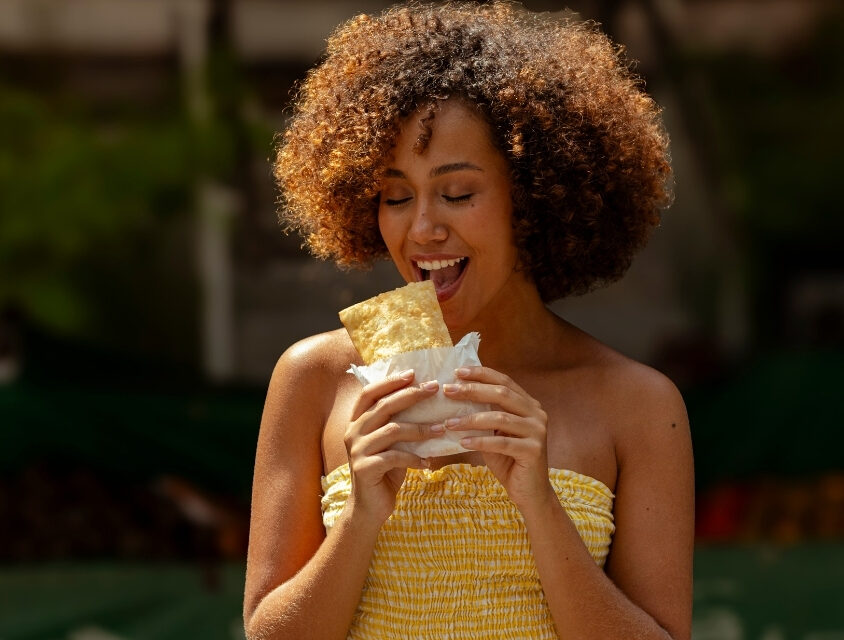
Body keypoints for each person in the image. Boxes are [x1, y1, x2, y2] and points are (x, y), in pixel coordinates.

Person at [243, 2, 694, 639]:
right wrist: (361, 514)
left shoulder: (640, 405)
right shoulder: (315, 379)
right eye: (396, 196)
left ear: (534, 199)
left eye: (457, 193)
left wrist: (540, 504)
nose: (422, 228)